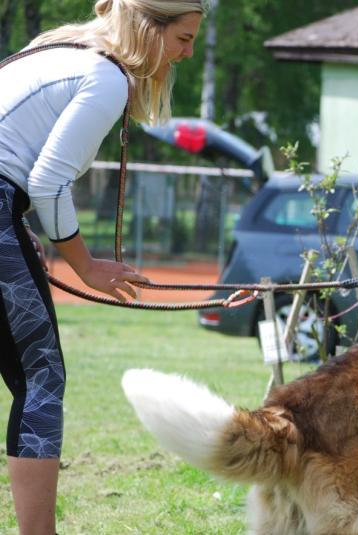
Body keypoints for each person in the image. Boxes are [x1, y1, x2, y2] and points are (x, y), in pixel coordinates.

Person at [0, 1, 204, 532]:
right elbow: (47, 182)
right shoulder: (105, 76)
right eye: (183, 38)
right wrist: (86, 267)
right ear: (148, 28)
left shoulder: (58, 48)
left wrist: (20, 227)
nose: (187, 52)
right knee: (41, 376)